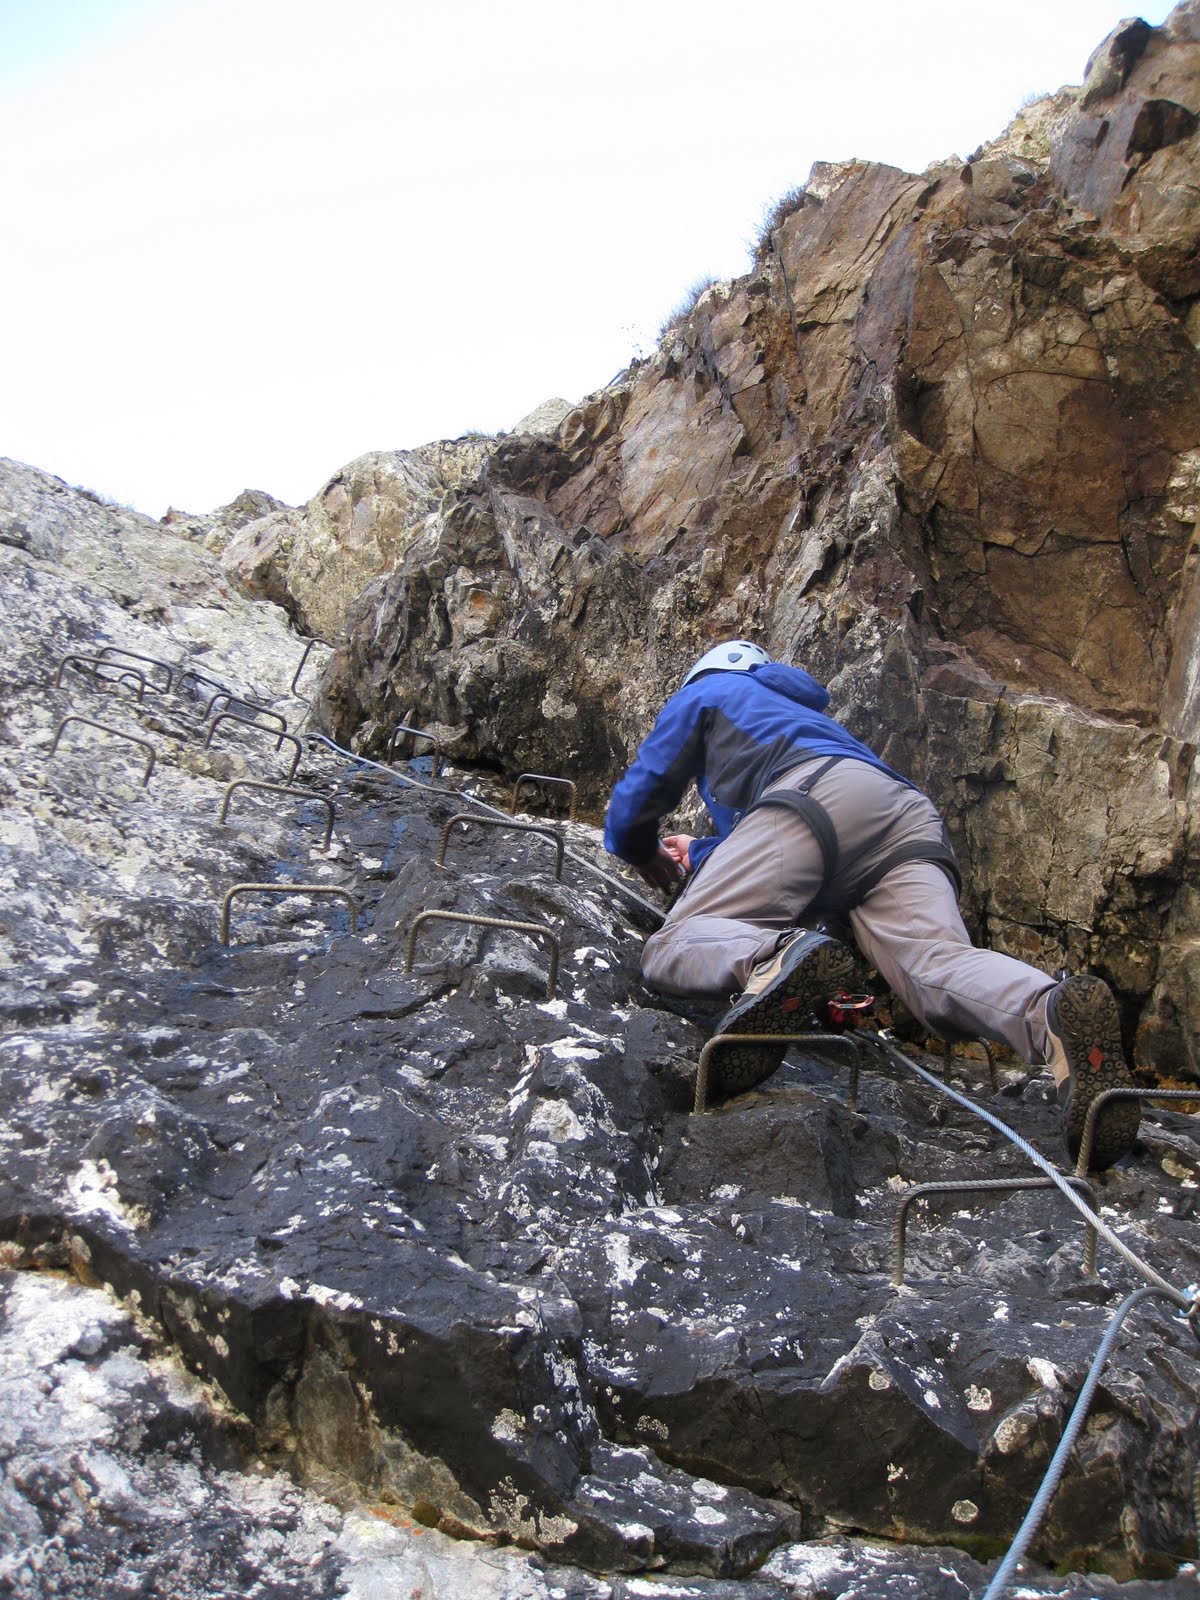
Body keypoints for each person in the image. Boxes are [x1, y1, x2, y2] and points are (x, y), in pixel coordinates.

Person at [603, 640, 1140, 1170]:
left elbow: (641, 796)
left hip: (811, 796)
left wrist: (641, 848)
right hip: (901, 814)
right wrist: (699, 851)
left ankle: (769, 959)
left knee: (673, 943)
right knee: (935, 966)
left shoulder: (711, 689)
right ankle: (1049, 1013)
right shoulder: (804, 716)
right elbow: (787, 836)